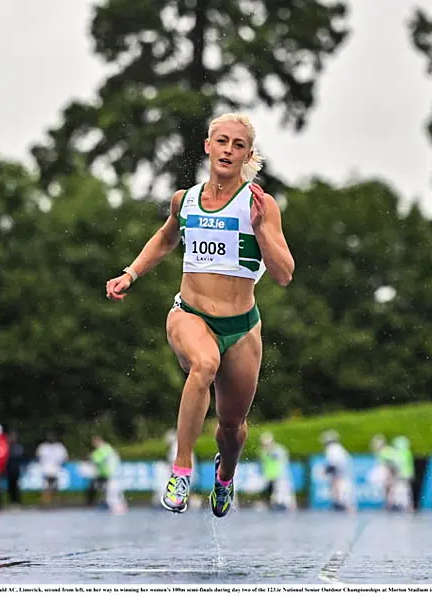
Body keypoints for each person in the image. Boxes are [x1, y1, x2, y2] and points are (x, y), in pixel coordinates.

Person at [105, 113, 294, 517]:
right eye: (221, 141)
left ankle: (225, 475)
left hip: (242, 327)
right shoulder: (184, 200)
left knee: (232, 427)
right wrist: (131, 273)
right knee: (203, 364)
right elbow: (165, 237)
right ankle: (182, 468)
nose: (228, 150)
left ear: (247, 154)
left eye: (237, 145)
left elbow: (284, 274)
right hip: (189, 315)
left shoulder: (260, 204)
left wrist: (260, 230)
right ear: (207, 146)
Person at [35, 431, 68, 507]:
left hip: (56, 470)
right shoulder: (43, 447)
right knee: (46, 486)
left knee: (54, 487)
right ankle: (46, 502)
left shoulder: (59, 447)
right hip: (45, 469)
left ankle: (51, 501)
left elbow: (65, 458)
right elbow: (38, 456)